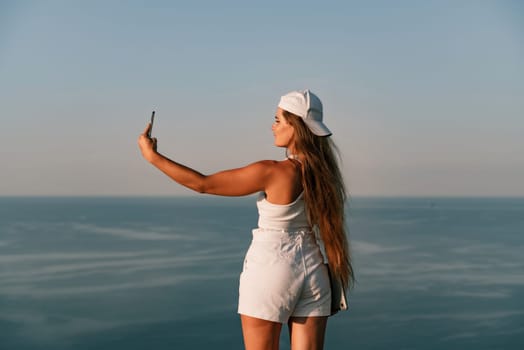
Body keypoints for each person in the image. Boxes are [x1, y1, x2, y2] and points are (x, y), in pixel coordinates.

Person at [138, 89, 354, 350]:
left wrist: (153, 157)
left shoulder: (274, 172)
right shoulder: (326, 176)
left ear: (295, 126)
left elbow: (203, 184)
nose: (272, 126)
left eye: (277, 120)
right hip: (315, 271)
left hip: (273, 267)